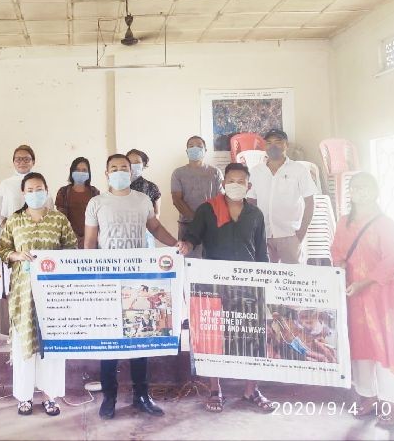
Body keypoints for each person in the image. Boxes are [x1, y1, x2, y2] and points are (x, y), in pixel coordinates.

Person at [84, 154, 181, 420]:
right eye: (113, 168)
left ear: (131, 172)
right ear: (106, 174)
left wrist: (175, 246)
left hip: (139, 280)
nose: (119, 171)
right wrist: (91, 280)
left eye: (123, 168)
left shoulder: (142, 200)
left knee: (141, 338)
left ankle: (141, 395)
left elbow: (156, 227)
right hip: (107, 280)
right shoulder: (96, 203)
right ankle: (109, 397)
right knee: (109, 342)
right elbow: (90, 243)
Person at [178, 163, 275, 414]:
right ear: (223, 184)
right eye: (230, 180)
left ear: (248, 186)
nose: (235, 184)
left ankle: (251, 388)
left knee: (253, 336)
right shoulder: (207, 210)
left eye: (240, 181)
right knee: (215, 336)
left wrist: (267, 279)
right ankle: (215, 389)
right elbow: (193, 237)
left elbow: (261, 251)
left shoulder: (255, 214)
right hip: (214, 280)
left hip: (249, 282)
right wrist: (186, 246)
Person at [331, 172, 394, 427]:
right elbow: (337, 251)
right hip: (352, 295)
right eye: (355, 187)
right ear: (349, 193)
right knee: (360, 346)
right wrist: (340, 264)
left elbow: (393, 259)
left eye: (365, 187)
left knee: (386, 347)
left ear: (375, 191)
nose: (359, 191)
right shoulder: (343, 222)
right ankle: (368, 396)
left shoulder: (385, 223)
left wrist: (365, 282)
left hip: (381, 297)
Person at [0, 172, 77, 417]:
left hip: (53, 294)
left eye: (39, 188)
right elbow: (2, 250)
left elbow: (72, 248)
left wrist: (54, 260)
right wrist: (17, 255)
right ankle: (24, 397)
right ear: (23, 193)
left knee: (51, 342)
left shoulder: (59, 220)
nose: (35, 193)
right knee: (25, 342)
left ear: (46, 190)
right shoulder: (14, 220)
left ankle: (49, 395)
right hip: (23, 292)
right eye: (30, 190)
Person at [247, 129, 317, 264]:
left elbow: (309, 202)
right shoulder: (256, 171)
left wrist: (301, 233)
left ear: (286, 145)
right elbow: (251, 202)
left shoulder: (298, 170)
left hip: (290, 235)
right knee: (266, 278)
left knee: (293, 280)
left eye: (278, 142)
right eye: (269, 143)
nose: (273, 146)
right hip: (263, 235)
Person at [0, 145, 52, 299]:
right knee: (16, 277)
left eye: (26, 159)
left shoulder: (40, 182)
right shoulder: (5, 184)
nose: (22, 162)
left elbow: (49, 209)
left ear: (33, 161)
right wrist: (5, 226)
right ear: (13, 162)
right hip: (14, 236)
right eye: (18, 159)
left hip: (39, 235)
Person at [170, 135, 223, 258]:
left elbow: (220, 199)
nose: (195, 148)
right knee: (188, 263)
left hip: (212, 226)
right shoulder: (178, 173)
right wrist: (197, 221)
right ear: (187, 151)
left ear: (205, 150)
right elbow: (177, 200)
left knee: (211, 262)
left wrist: (207, 222)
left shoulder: (215, 172)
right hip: (187, 225)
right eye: (191, 146)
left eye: (199, 146)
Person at [55, 157, 100, 248]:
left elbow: (98, 218)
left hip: (91, 239)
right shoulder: (63, 192)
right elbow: (61, 218)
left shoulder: (94, 192)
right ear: (72, 172)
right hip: (68, 239)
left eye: (84, 170)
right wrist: (73, 236)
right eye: (77, 170)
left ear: (88, 173)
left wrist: (87, 237)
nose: (81, 172)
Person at [126, 149, 161, 248]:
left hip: (145, 233)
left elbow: (157, 212)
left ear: (144, 164)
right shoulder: (119, 187)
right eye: (130, 162)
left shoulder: (152, 187)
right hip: (124, 235)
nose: (133, 165)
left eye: (137, 162)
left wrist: (148, 227)